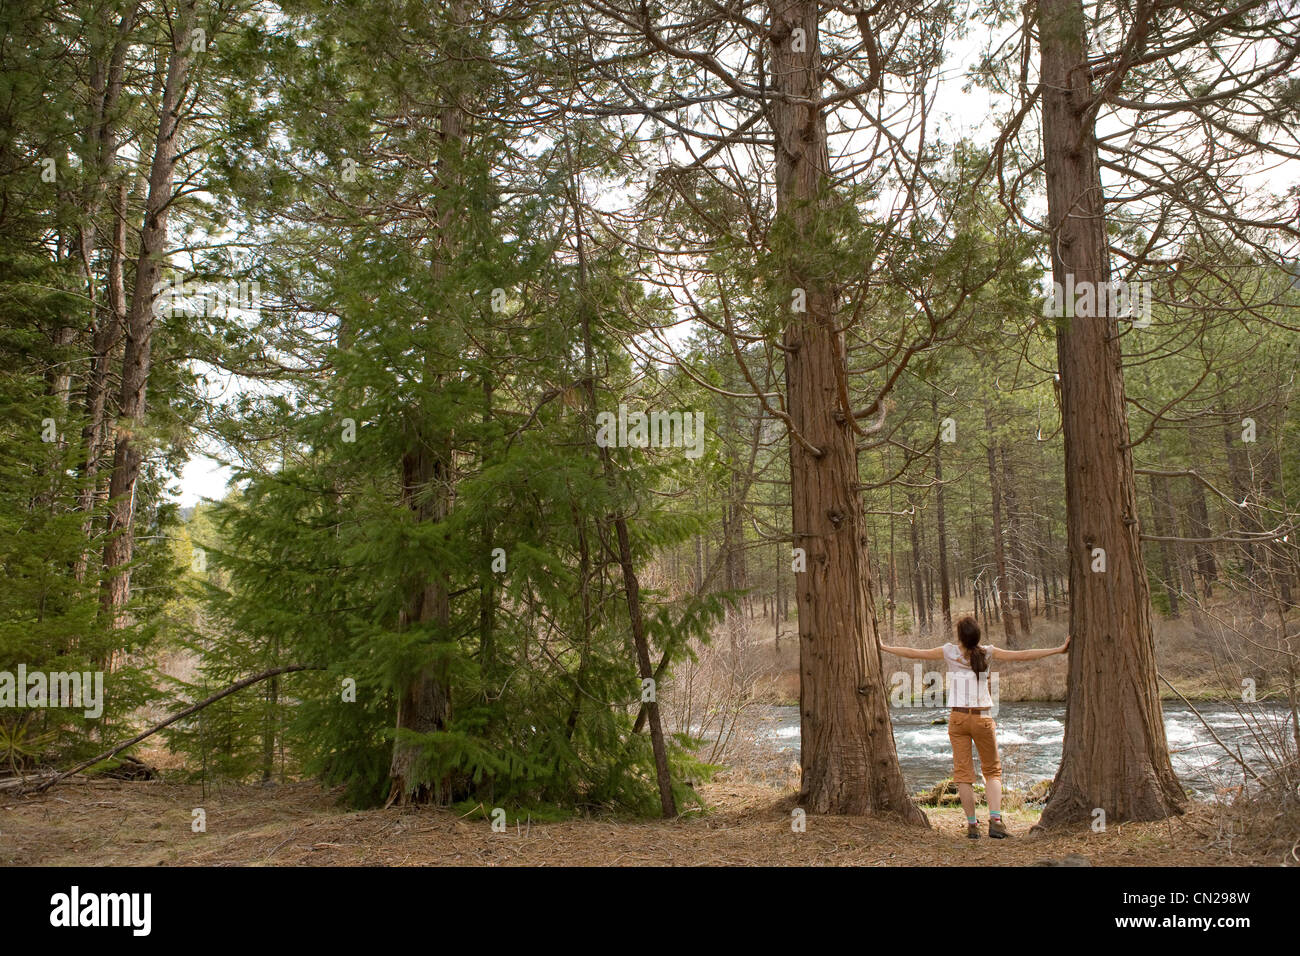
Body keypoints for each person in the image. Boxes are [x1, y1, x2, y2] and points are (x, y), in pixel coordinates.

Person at [880, 616, 1069, 839]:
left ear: (959, 636)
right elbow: (1022, 655)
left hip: (958, 718)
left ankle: (972, 825)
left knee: (963, 774)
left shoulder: (949, 652)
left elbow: (914, 652)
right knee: (992, 771)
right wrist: (1058, 650)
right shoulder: (987, 652)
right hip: (982, 717)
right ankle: (996, 821)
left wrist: (884, 647)